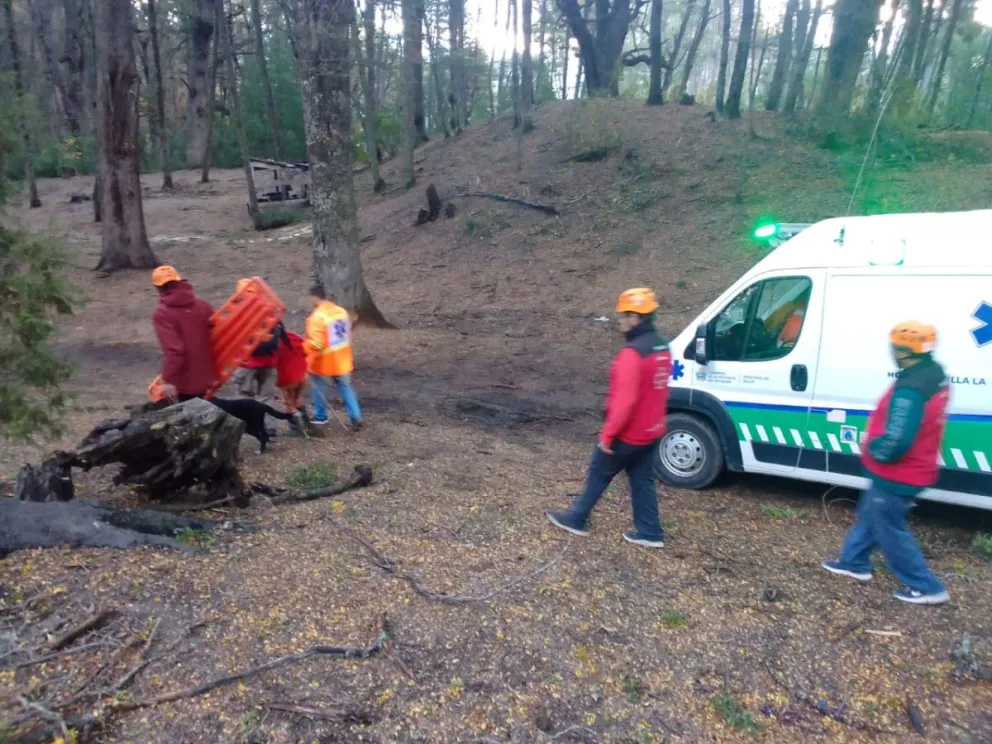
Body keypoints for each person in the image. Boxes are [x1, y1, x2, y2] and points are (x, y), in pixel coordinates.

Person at [822, 321, 951, 605]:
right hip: (911, 468)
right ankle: (854, 562)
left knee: (889, 527)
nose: (892, 351)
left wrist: (873, 446)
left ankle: (927, 586)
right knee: (872, 514)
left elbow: (897, 440)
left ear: (904, 351)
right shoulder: (932, 375)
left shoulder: (911, 389)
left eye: (895, 347)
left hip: (899, 472)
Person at [546, 288, 672, 547]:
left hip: (629, 434)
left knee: (599, 472)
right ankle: (650, 532)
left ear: (636, 317)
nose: (620, 321)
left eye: (623, 316)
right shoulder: (663, 347)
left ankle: (577, 518)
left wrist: (608, 435)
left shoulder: (632, 355)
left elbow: (625, 402)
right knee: (641, 478)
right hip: (652, 431)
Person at [151, 265, 215, 402]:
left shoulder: (162, 313)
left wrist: (167, 380)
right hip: (207, 378)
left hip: (183, 384)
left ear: (158, 288)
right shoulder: (203, 305)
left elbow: (175, 351)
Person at [303, 284, 363, 429]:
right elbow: (348, 333)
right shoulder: (341, 311)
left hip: (323, 361)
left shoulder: (317, 317)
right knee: (345, 386)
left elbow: (317, 344)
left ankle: (320, 416)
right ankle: (355, 415)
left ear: (315, 297)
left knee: (318, 387)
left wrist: (302, 347)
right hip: (342, 358)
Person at [230, 279, 279, 400]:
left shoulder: (236, 312)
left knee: (243, 399)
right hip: (268, 361)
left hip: (247, 363)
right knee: (266, 400)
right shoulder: (269, 310)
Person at [275, 323, 308, 424]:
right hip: (302, 375)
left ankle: (296, 428)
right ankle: (307, 423)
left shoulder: (274, 343)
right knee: (298, 398)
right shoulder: (294, 337)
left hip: (287, 378)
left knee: (289, 403)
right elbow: (306, 351)